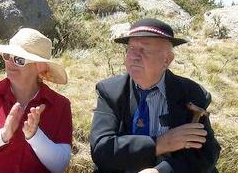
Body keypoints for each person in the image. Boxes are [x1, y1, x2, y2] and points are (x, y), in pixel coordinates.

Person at [90, 18, 220, 173]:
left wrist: (161, 171)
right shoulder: (110, 91)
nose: (134, 56)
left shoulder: (191, 93)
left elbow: (206, 154)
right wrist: (161, 144)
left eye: (144, 49)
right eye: (131, 49)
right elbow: (102, 149)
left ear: (167, 60)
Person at [0, 28, 73, 173]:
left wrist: (35, 136)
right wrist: (2, 136)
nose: (10, 62)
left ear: (40, 67)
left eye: (19, 59)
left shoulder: (60, 105)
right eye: (7, 55)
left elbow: (60, 165)